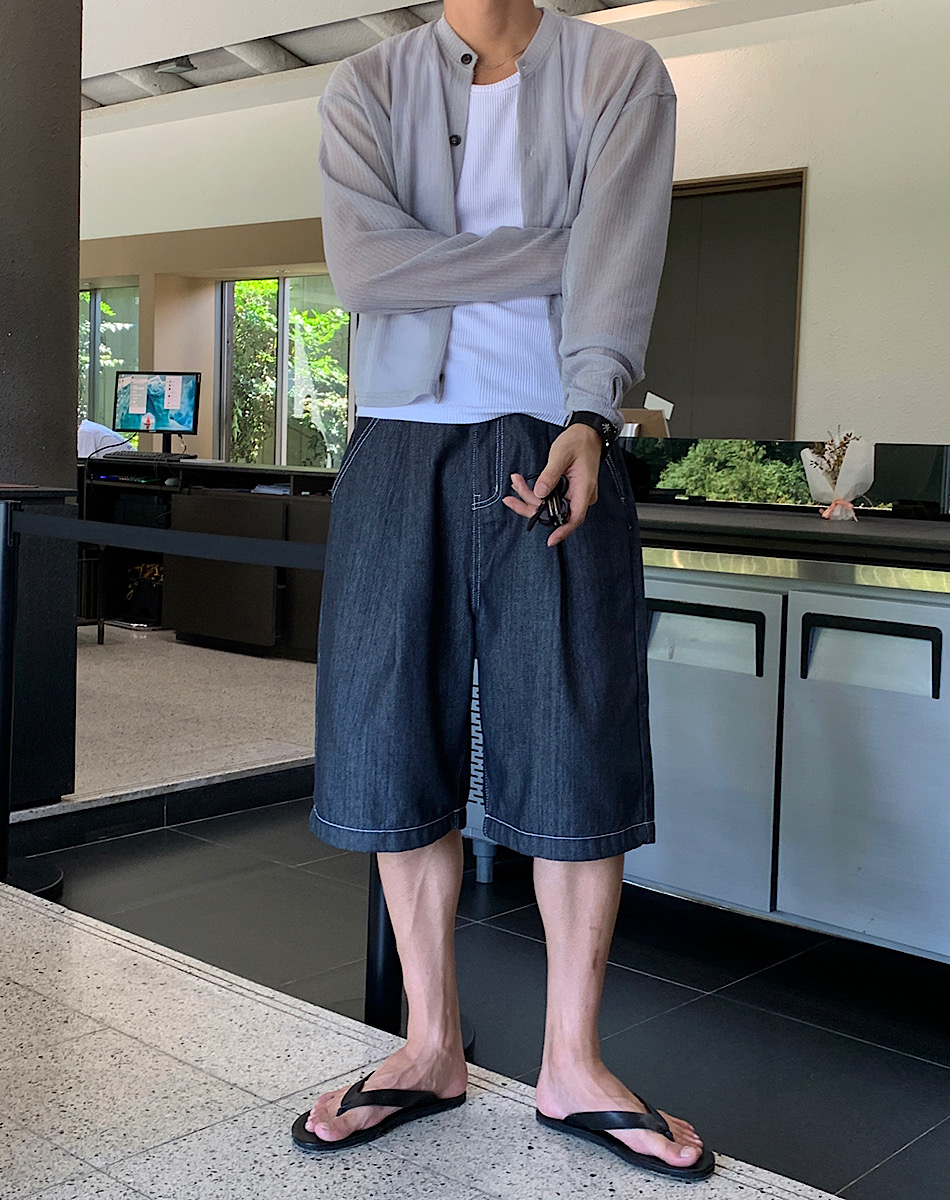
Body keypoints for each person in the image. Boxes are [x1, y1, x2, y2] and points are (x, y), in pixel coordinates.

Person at [293, 0, 713, 1183]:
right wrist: (559, 243)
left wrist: (591, 411)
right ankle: (429, 1044)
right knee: (391, 733)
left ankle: (571, 1063)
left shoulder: (617, 72)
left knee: (574, 735)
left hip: (560, 434)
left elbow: (620, 263)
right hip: (398, 442)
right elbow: (362, 269)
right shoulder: (366, 87)